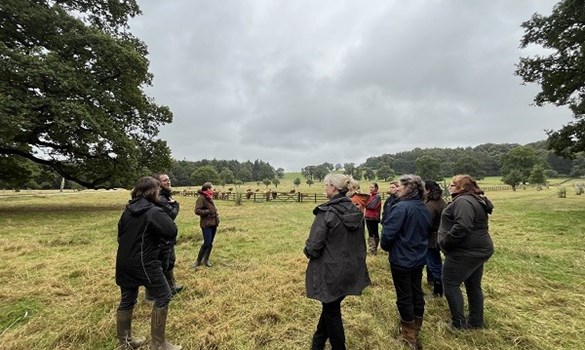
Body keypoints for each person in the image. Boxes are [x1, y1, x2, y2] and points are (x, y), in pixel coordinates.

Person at [304, 173, 371, 350]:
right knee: (330, 307)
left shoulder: (326, 213)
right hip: (350, 270)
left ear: (333, 187)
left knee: (332, 312)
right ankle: (317, 344)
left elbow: (313, 247)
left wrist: (307, 250)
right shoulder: (356, 211)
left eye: (326, 185)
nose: (324, 188)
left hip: (331, 272)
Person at [115, 176, 182, 350]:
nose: (160, 192)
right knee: (164, 295)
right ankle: (159, 344)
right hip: (145, 262)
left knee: (127, 299)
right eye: (158, 190)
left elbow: (120, 234)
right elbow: (171, 231)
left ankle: (125, 343)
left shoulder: (128, 210)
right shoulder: (154, 211)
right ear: (153, 191)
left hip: (123, 261)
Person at [438, 175, 494, 329]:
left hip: (464, 251)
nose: (449, 187)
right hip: (478, 249)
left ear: (460, 187)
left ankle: (458, 324)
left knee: (450, 283)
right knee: (473, 285)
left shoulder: (463, 201)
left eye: (452, 185)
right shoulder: (474, 199)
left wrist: (446, 243)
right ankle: (476, 322)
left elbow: (463, 226)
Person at [380, 174, 430, 349]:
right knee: (417, 291)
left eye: (400, 186)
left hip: (402, 259)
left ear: (409, 188)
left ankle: (409, 336)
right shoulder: (422, 207)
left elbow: (388, 234)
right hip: (419, 257)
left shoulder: (401, 208)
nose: (398, 188)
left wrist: (386, 246)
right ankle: (416, 327)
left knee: (404, 296)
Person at [145, 174, 183, 302]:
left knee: (169, 261)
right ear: (158, 183)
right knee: (161, 264)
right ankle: (153, 294)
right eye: (165, 180)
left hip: (165, 236)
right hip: (161, 238)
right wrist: (176, 205)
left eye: (169, 179)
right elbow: (170, 215)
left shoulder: (164, 195)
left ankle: (170, 287)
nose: (168, 181)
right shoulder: (160, 198)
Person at [424, 180, 447, 297]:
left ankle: (438, 291)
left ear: (428, 190)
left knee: (434, 264)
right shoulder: (441, 201)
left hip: (432, 239)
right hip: (440, 235)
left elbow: (426, 224)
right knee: (436, 263)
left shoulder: (430, 205)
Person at [193, 182, 220, 268]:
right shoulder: (201, 198)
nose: (213, 190)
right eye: (212, 188)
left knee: (210, 243)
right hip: (206, 224)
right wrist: (208, 212)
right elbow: (197, 210)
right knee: (207, 243)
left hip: (213, 223)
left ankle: (206, 260)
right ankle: (198, 261)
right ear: (208, 189)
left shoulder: (209, 197)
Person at [364, 182, 382, 255]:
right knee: (370, 233)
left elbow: (372, 206)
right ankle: (373, 249)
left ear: (376, 188)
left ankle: (373, 250)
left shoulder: (377, 196)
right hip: (368, 217)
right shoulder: (370, 196)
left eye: (372, 187)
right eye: (370, 187)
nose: (371, 189)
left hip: (374, 217)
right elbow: (368, 204)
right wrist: (367, 204)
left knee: (374, 233)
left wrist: (366, 204)